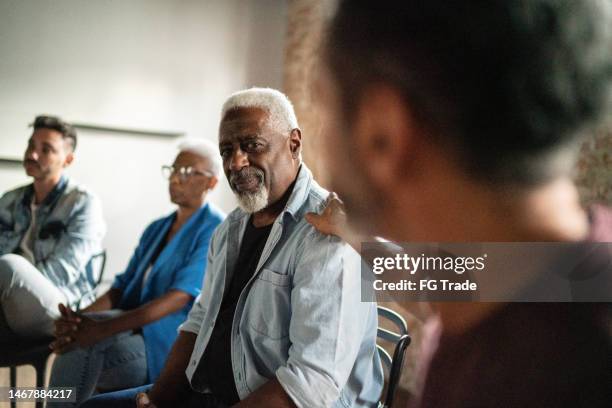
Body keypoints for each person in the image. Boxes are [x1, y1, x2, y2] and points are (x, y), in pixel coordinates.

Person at [309, 0, 612, 406]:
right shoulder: (550, 274)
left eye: (322, 106)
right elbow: (448, 276)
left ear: (382, 132)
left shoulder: (547, 380)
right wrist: (353, 238)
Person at [82, 88, 382, 408]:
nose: (236, 162)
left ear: (293, 144)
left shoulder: (327, 231)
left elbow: (310, 383)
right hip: (212, 391)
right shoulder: (231, 228)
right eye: (227, 150)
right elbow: (199, 323)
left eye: (252, 145)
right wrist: (159, 399)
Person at [46, 140, 225, 407]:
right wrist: (79, 320)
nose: (176, 177)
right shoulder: (157, 227)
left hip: (168, 345)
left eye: (187, 172)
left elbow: (179, 297)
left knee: (80, 348)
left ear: (211, 183)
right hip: (127, 329)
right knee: (77, 340)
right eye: (173, 169)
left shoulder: (216, 228)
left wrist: (100, 329)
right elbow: (121, 287)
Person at [0, 115, 105, 339]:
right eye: (31, 145)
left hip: (60, 307)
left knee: (10, 265)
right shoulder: (10, 199)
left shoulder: (83, 202)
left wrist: (16, 283)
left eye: (46, 149)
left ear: (67, 160)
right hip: (7, 298)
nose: (32, 154)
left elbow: (62, 273)